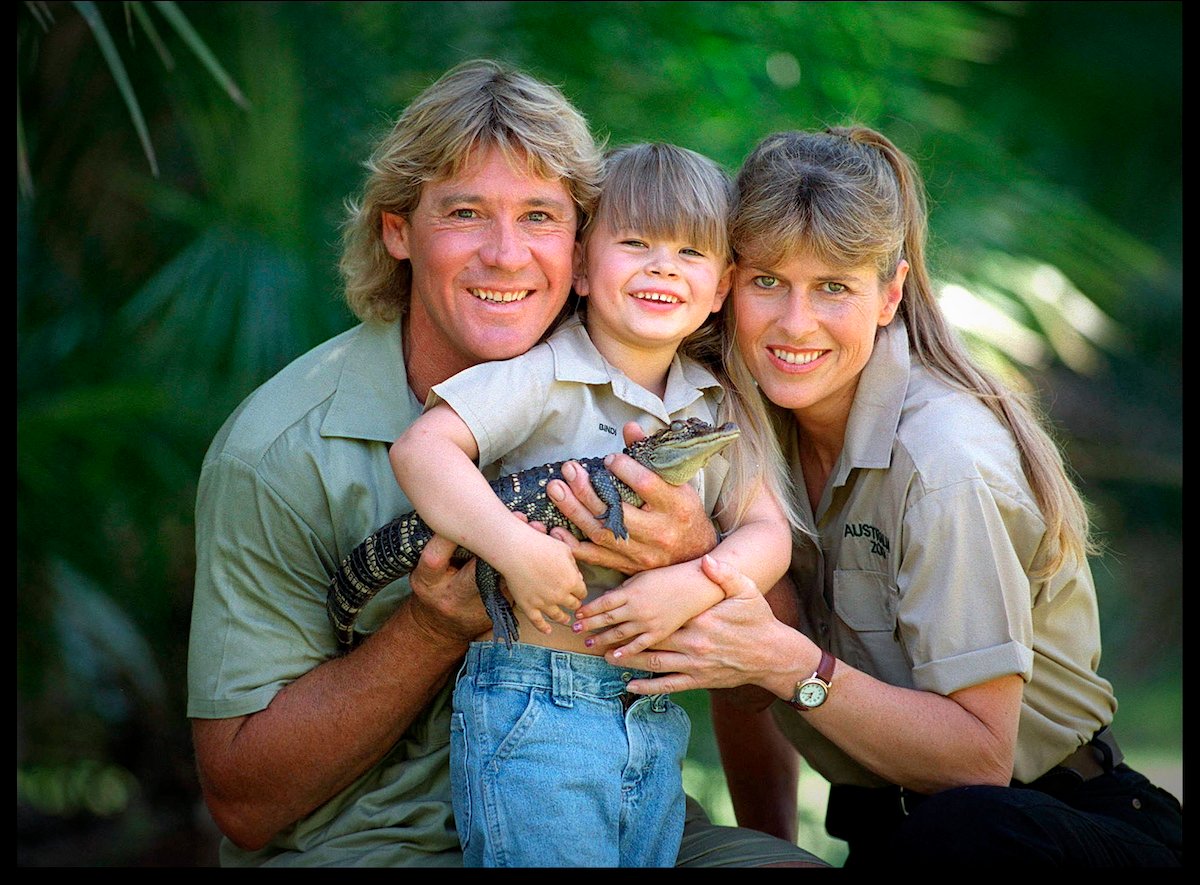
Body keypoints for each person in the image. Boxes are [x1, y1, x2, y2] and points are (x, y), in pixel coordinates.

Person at [187, 58, 826, 868]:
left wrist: (697, 556)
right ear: (397, 230)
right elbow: (243, 801)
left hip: (618, 794)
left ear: (581, 244)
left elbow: (760, 653)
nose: (506, 255)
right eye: (464, 213)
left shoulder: (662, 389)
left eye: (539, 216)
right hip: (375, 845)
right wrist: (432, 624)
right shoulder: (272, 451)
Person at [588, 126, 1184, 866]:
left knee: (962, 830)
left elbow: (978, 763)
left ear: (889, 294)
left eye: (833, 286)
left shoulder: (947, 463)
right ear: (729, 282)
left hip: (1041, 828)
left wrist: (786, 662)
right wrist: (775, 850)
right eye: (768, 280)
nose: (794, 323)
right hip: (888, 828)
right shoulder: (732, 420)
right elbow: (740, 658)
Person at [389, 142, 799, 867]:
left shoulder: (716, 400)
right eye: (636, 242)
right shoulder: (542, 371)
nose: (662, 266)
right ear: (580, 266)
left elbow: (768, 531)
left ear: (720, 288)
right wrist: (517, 550)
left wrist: (697, 581)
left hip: (651, 712)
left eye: (688, 252)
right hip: (532, 703)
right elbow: (422, 451)